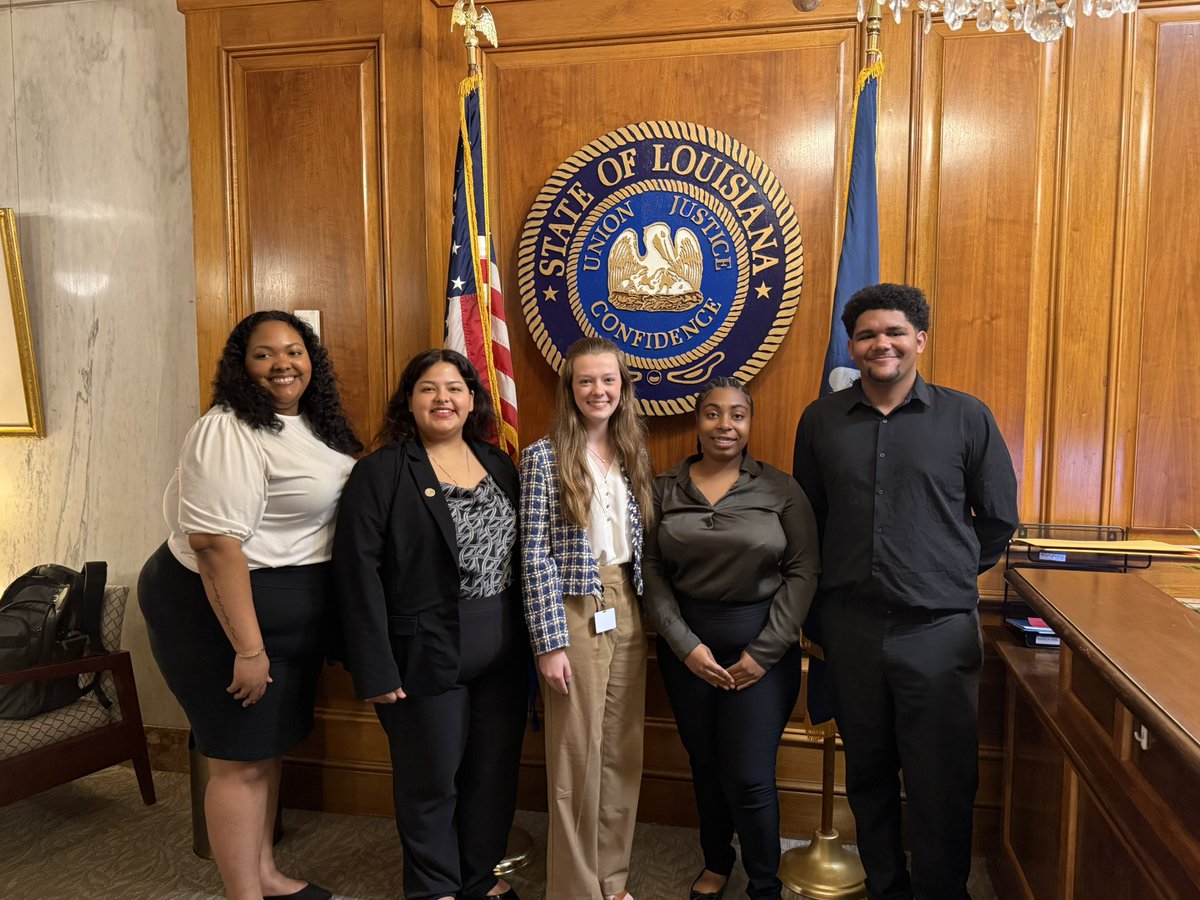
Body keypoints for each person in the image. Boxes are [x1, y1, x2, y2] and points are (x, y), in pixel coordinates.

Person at [792, 283, 1019, 900]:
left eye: (894, 332)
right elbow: (809, 517)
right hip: (853, 630)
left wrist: (941, 572)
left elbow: (998, 519)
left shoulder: (966, 416)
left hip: (938, 633)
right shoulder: (820, 421)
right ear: (852, 345)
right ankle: (886, 889)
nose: (880, 344)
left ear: (919, 340)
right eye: (866, 335)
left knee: (941, 781)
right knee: (867, 774)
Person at [139, 310, 362, 900]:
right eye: (264, 354)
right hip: (218, 612)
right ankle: (245, 894)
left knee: (266, 745)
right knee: (238, 757)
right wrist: (248, 648)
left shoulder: (311, 423)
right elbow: (214, 547)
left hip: (283, 607)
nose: (282, 364)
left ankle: (265, 875)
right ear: (241, 365)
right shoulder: (227, 428)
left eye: (294, 350)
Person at [332, 349, 527, 900]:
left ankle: (476, 877)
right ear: (409, 401)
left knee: (491, 779)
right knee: (431, 782)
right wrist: (374, 666)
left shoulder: (498, 464)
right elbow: (356, 573)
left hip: (502, 653)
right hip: (424, 652)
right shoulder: (383, 471)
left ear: (472, 401)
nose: (443, 398)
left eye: (455, 388)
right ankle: (434, 888)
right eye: (428, 388)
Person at [643, 377, 820, 900]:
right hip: (687, 653)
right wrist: (684, 645)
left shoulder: (781, 489)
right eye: (713, 414)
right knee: (705, 763)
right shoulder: (663, 488)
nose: (725, 426)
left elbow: (804, 571)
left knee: (747, 773)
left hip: (762, 653)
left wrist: (763, 653)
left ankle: (764, 883)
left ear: (750, 422)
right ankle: (717, 861)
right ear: (697, 421)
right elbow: (651, 571)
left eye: (737, 415)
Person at [520, 336, 656, 900]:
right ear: (569, 388)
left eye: (608, 380)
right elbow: (533, 555)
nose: (598, 390)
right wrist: (549, 644)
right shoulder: (542, 457)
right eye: (586, 381)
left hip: (627, 604)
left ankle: (611, 878)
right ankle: (575, 889)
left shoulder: (633, 453)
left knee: (622, 749)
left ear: (622, 388)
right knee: (576, 754)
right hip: (573, 609)